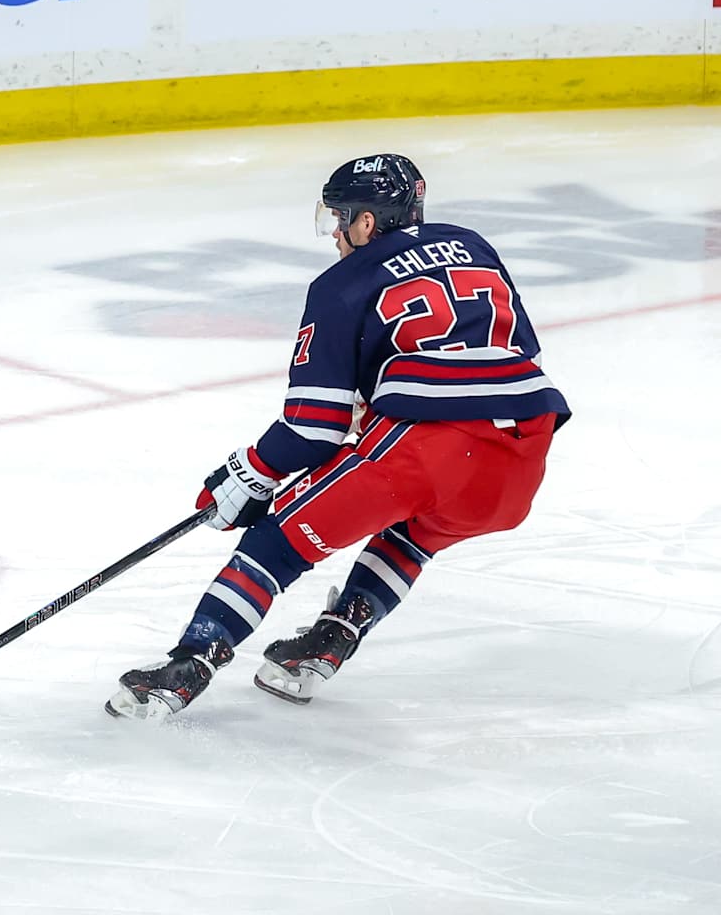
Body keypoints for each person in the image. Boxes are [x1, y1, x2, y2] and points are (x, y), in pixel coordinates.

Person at [108, 154, 571, 719]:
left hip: (426, 449)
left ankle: (184, 670)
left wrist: (250, 472)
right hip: (523, 451)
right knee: (415, 533)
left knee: (277, 542)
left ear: (368, 223)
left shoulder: (341, 285)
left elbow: (312, 429)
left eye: (340, 218)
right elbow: (517, 358)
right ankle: (331, 638)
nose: (335, 236)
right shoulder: (474, 245)